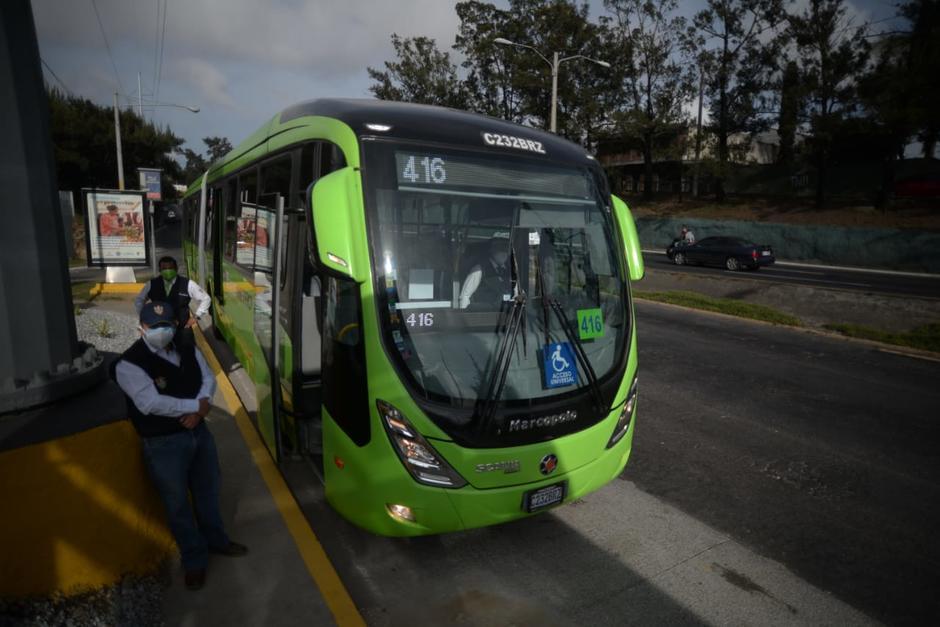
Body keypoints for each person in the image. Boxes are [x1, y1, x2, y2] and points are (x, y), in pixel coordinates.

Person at [113, 301, 247, 591]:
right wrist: (193, 406)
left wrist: (200, 411)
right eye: (154, 326)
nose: (161, 331)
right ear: (141, 329)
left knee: (208, 490)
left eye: (167, 325)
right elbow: (149, 402)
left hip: (199, 434)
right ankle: (195, 561)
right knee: (177, 506)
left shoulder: (187, 346)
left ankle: (216, 540)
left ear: (175, 325)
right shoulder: (128, 364)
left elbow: (208, 379)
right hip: (164, 444)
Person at [135, 256, 210, 349]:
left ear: (176, 269)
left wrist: (197, 316)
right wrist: (143, 317)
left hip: (182, 329)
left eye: (170, 268)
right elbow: (139, 300)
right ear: (160, 270)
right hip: (159, 331)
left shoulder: (187, 284)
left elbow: (206, 299)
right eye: (164, 268)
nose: (167, 271)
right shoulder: (152, 284)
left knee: (187, 355)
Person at [458, 236, 513, 309]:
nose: (504, 252)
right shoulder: (479, 270)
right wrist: (466, 317)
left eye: (506, 249)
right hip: (483, 316)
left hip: (504, 317)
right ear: (491, 250)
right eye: (500, 248)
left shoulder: (509, 271)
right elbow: (465, 295)